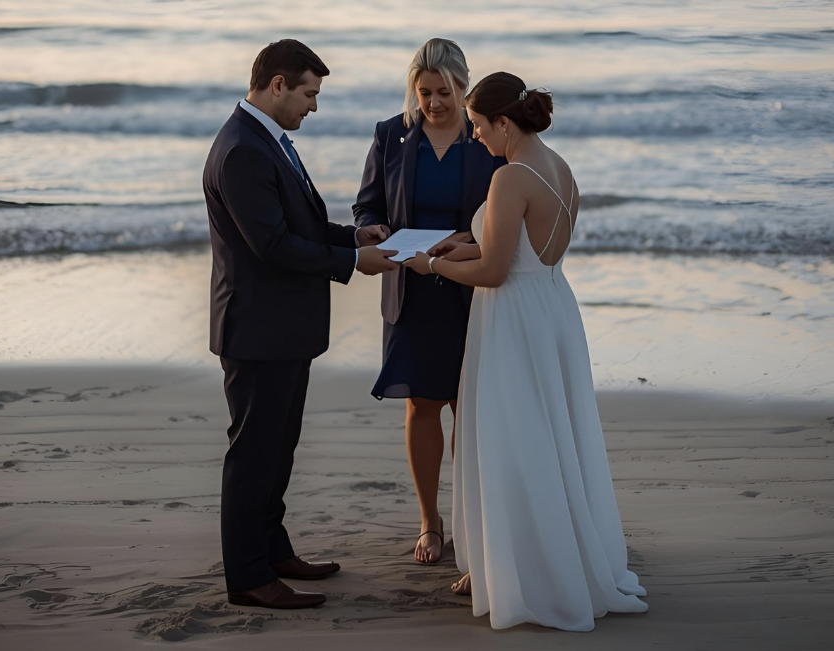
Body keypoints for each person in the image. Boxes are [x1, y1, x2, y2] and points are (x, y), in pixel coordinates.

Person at [405, 72, 649, 630]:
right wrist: (463, 239)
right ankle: (524, 555)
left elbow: (494, 271)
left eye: (479, 127)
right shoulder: (561, 169)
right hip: (554, 311)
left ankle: (519, 568)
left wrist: (433, 264)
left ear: (505, 123)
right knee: (548, 436)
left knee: (512, 439)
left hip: (512, 320)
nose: (475, 138)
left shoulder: (509, 177)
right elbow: (528, 249)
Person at [203, 39, 398, 610]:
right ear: (278, 85)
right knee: (253, 455)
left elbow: (300, 222)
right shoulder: (242, 149)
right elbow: (271, 245)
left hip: (281, 328)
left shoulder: (267, 141)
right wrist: (352, 263)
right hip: (258, 329)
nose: (314, 106)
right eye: (309, 93)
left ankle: (272, 549)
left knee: (278, 449)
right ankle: (247, 577)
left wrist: (351, 236)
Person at [353, 38, 502, 564]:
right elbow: (366, 204)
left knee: (469, 407)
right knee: (421, 403)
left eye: (444, 92)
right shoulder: (391, 135)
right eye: (425, 92)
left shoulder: (484, 138)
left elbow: (500, 214)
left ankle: (469, 520)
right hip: (410, 290)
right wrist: (370, 227)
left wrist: (462, 240)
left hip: (471, 286)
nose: (434, 103)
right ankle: (430, 522)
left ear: (464, 87)